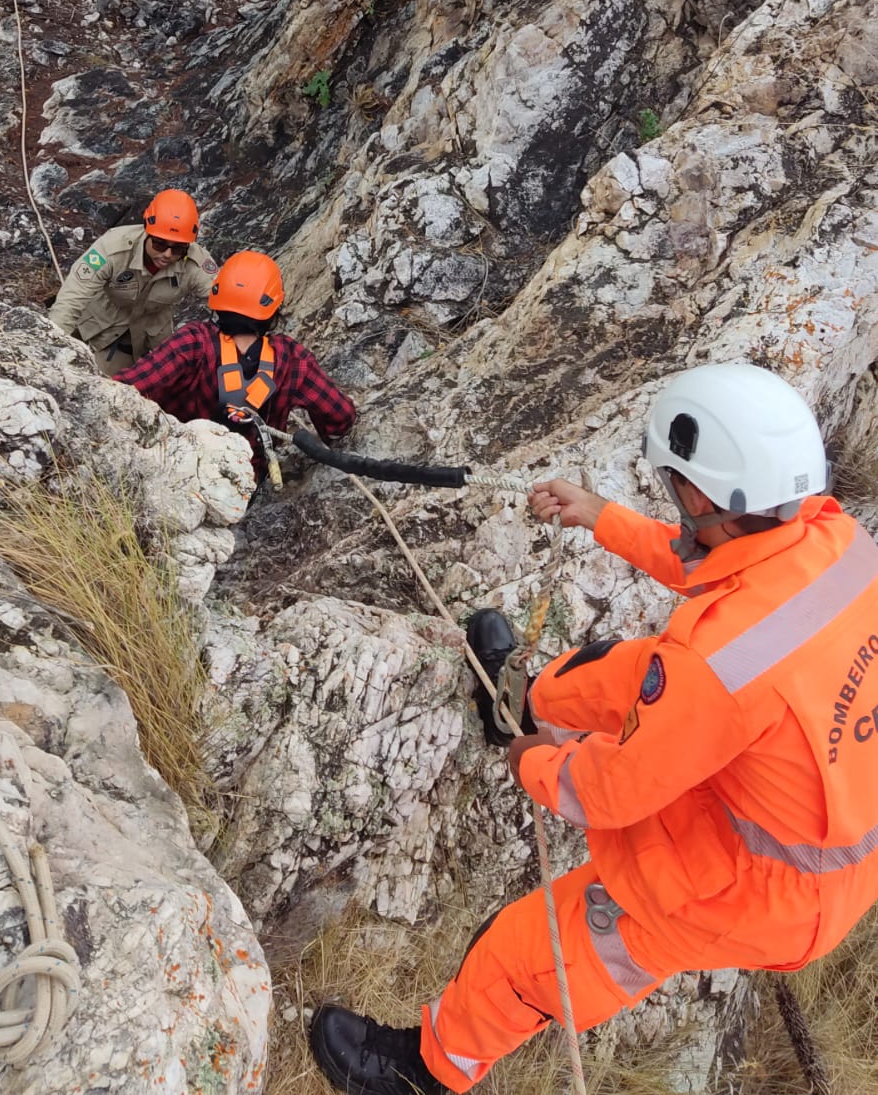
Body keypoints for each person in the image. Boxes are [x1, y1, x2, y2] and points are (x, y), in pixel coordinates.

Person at [308, 362, 878, 1095]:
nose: (672, 498)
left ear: (701, 492)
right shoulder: (833, 539)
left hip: (760, 887)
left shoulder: (719, 668)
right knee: (630, 667)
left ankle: (420, 1072)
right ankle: (519, 695)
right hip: (804, 807)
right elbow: (727, 575)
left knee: (527, 950)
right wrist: (599, 515)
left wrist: (532, 764)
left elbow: (611, 790)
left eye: (673, 485)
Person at [113, 249, 356, 475]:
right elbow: (340, 417)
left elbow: (125, 390)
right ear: (273, 309)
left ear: (219, 298)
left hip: (175, 466)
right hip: (244, 481)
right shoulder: (292, 359)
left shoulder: (194, 342)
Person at [49, 190, 217, 376]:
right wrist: (50, 344)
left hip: (143, 333)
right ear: (147, 232)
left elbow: (222, 299)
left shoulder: (196, 263)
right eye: (159, 244)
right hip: (97, 316)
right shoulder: (112, 247)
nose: (168, 254)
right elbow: (73, 296)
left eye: (178, 248)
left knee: (111, 382)